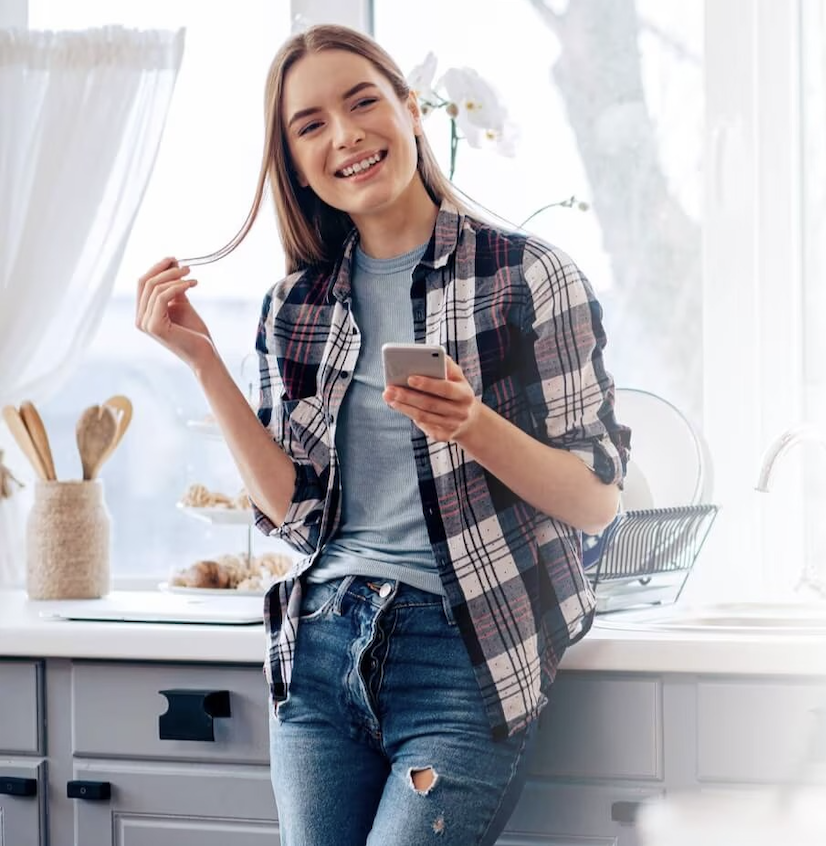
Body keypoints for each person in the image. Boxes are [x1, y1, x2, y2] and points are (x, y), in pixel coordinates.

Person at [136, 23, 630, 846]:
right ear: (296, 163)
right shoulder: (295, 307)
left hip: (462, 653)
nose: (346, 134)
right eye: (311, 124)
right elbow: (290, 510)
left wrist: (473, 425)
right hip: (321, 650)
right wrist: (203, 364)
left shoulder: (526, 276)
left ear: (412, 111)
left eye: (364, 102)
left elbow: (595, 503)